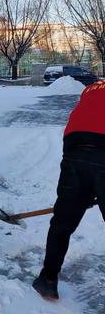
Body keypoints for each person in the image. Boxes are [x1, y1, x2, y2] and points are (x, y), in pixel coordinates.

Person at [33, 80, 105, 301]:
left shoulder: (93, 87)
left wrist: (87, 187)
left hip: (75, 153)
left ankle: (49, 279)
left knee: (62, 223)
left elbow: (80, 119)